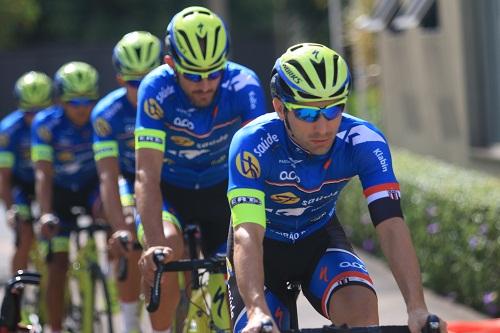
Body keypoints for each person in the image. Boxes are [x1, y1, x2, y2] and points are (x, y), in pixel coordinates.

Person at [225, 43, 448, 333]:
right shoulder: (252, 144)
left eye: (333, 110)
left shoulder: (363, 141)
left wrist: (417, 308)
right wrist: (256, 311)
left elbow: (391, 224)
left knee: (362, 310)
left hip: (318, 237)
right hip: (262, 247)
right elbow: (248, 234)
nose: (323, 127)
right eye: (307, 114)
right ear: (280, 108)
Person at [135, 6, 267, 332]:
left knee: (238, 264)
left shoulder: (244, 85)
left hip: (222, 192)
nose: (205, 85)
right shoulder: (155, 90)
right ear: (170, 64)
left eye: (214, 73)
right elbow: (146, 176)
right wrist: (152, 247)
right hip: (171, 193)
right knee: (165, 250)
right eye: (193, 75)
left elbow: (261, 168)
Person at [91, 30, 162, 333]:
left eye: (149, 79)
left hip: (168, 178)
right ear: (120, 80)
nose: (143, 88)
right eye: (135, 82)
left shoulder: (172, 102)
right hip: (128, 181)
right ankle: (130, 321)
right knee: (130, 236)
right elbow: (108, 177)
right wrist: (119, 227)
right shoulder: (106, 114)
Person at [31, 61, 103, 333]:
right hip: (59, 193)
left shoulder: (100, 119)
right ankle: (56, 327)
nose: (82, 107)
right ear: (60, 99)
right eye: (74, 102)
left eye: (88, 100)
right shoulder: (45, 124)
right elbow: (43, 175)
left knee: (112, 217)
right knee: (58, 263)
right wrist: (46, 213)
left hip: (89, 188)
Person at [0, 71, 53, 274]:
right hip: (20, 185)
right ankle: (17, 297)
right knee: (25, 234)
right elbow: (3, 177)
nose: (36, 118)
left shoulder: (55, 123)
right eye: (29, 113)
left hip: (49, 181)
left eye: (41, 110)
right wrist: (10, 210)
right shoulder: (9, 130)